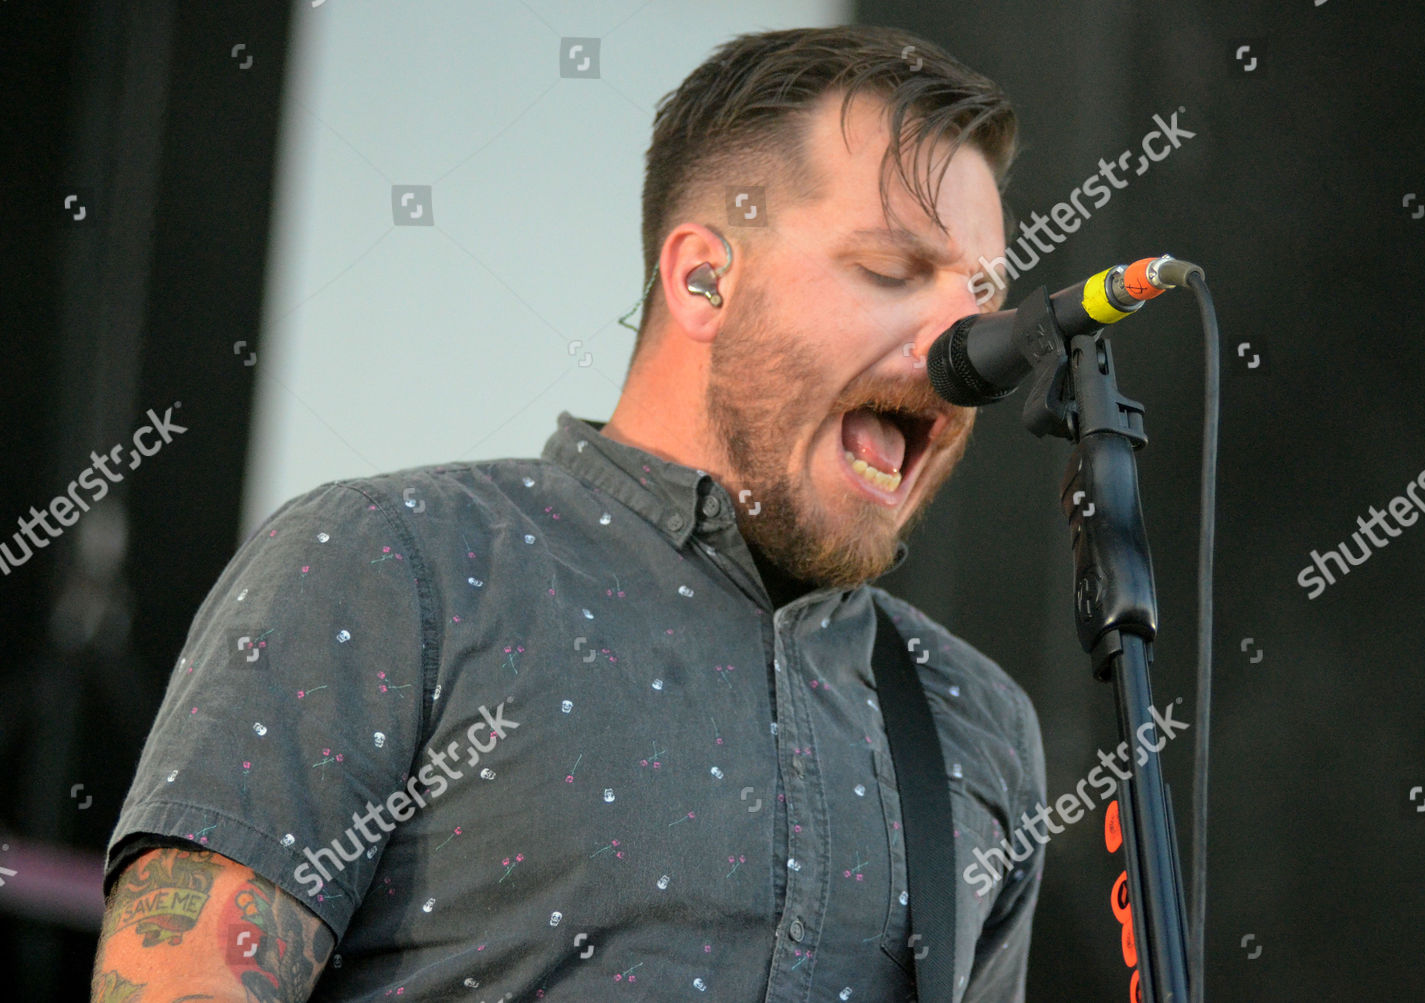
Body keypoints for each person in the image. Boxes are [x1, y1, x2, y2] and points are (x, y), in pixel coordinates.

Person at [91, 24, 1045, 1002]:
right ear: (703, 277)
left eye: (982, 298)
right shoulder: (397, 567)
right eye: (891, 270)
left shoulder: (972, 724)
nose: (958, 341)